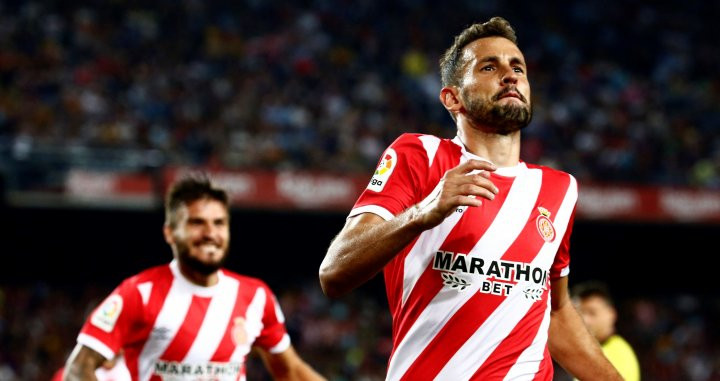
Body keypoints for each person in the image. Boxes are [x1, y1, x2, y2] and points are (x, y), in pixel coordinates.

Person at [319, 16, 623, 380]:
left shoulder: (559, 189)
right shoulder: (421, 155)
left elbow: (555, 312)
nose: (510, 75)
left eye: (518, 67)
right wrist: (423, 212)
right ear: (453, 98)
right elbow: (334, 273)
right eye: (489, 66)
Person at [63, 176, 325, 381]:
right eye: (197, 223)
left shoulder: (256, 296)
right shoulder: (138, 293)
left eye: (219, 223)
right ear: (170, 233)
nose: (210, 233)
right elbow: (78, 369)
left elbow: (290, 372)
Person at [572, 281, 641, 381]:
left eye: (592, 313)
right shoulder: (592, 350)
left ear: (611, 314)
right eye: (580, 313)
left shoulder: (618, 355)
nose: (585, 320)